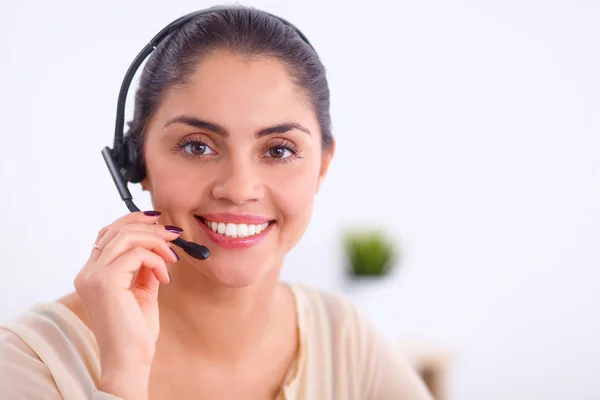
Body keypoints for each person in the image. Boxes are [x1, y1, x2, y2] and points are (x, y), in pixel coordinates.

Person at [0, 5, 433, 400]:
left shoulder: (344, 341)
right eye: (197, 147)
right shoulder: (26, 363)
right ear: (135, 163)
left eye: (278, 150)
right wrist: (123, 375)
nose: (240, 188)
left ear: (322, 166)